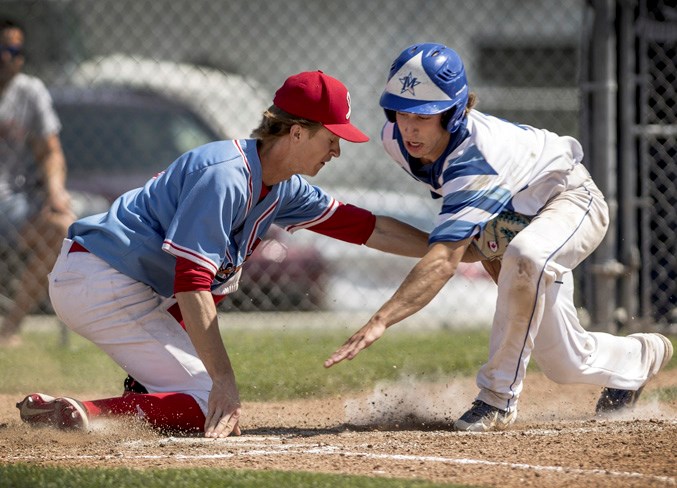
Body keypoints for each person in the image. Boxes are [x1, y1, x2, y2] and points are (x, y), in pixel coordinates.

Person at [15, 70, 433, 437]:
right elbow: (191, 283)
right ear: (298, 132)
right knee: (208, 399)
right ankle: (86, 414)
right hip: (102, 279)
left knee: (211, 327)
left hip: (121, 281)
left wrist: (449, 248)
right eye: (331, 138)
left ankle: (139, 395)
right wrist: (224, 381)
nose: (337, 151)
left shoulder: (283, 185)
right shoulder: (226, 176)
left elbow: (369, 227)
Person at [324, 43, 673, 432]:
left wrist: (381, 320)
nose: (408, 126)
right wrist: (494, 255)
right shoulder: (397, 143)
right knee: (563, 361)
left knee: (526, 253)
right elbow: (475, 226)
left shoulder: (479, 158)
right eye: (401, 111)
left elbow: (445, 259)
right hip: (514, 216)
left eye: (423, 115)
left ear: (454, 113)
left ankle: (496, 400)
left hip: (569, 200)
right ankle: (639, 359)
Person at [0, 18, 74, 347]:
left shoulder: (29, 92)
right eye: (1, 49)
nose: (6, 57)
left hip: (11, 202)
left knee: (62, 226)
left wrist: (56, 192)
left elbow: (50, 152)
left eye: (14, 50)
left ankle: (9, 327)